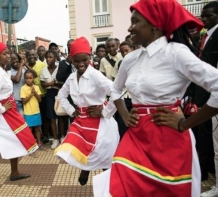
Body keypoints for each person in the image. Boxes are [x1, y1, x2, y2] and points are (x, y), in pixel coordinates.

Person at [93, 0, 218, 196]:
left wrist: (186, 123)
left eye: (135, 22)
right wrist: (125, 115)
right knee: (116, 187)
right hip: (136, 135)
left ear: (155, 24)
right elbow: (115, 90)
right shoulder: (130, 59)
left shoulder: (176, 53)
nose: (129, 27)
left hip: (168, 140)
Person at [54, 37, 119, 186]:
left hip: (100, 123)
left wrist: (105, 110)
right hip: (81, 121)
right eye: (77, 61)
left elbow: (116, 91)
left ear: (89, 56)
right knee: (73, 146)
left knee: (103, 156)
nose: (81, 64)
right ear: (71, 59)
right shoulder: (71, 78)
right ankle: (86, 169)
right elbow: (61, 96)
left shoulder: (95, 75)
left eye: (84, 59)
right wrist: (71, 110)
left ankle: (106, 185)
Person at [0, 42, 38, 181]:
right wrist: (1, 108)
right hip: (5, 113)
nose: (8, 56)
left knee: (16, 139)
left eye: (8, 53)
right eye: (5, 54)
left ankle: (13, 171)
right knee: (17, 138)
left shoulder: (1, 70)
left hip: (9, 109)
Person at [193, 1, 218, 192]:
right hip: (207, 98)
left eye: (208, 16)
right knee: (214, 148)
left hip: (214, 97)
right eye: (203, 15)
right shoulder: (206, 36)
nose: (204, 19)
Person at [111, 41, 134, 139]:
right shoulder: (119, 63)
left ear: (132, 49)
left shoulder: (138, 61)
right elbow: (114, 80)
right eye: (122, 52)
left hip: (134, 98)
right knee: (123, 124)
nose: (124, 53)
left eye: (127, 51)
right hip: (123, 98)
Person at [40, 50, 62, 149]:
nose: (48, 59)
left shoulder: (60, 68)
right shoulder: (44, 70)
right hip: (49, 94)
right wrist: (50, 84)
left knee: (61, 116)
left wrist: (56, 83)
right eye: (47, 57)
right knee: (52, 118)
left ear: (55, 58)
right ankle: (55, 139)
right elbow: (42, 84)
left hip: (60, 93)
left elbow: (63, 83)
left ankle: (62, 137)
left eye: (50, 57)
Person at [21, 70, 42, 147]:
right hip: (28, 113)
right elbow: (24, 101)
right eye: (26, 78)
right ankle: (31, 144)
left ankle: (39, 143)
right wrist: (31, 94)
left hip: (36, 111)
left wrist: (35, 93)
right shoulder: (23, 88)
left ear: (33, 78)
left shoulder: (36, 87)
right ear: (24, 79)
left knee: (37, 129)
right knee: (29, 130)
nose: (28, 80)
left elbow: (39, 100)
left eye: (30, 78)